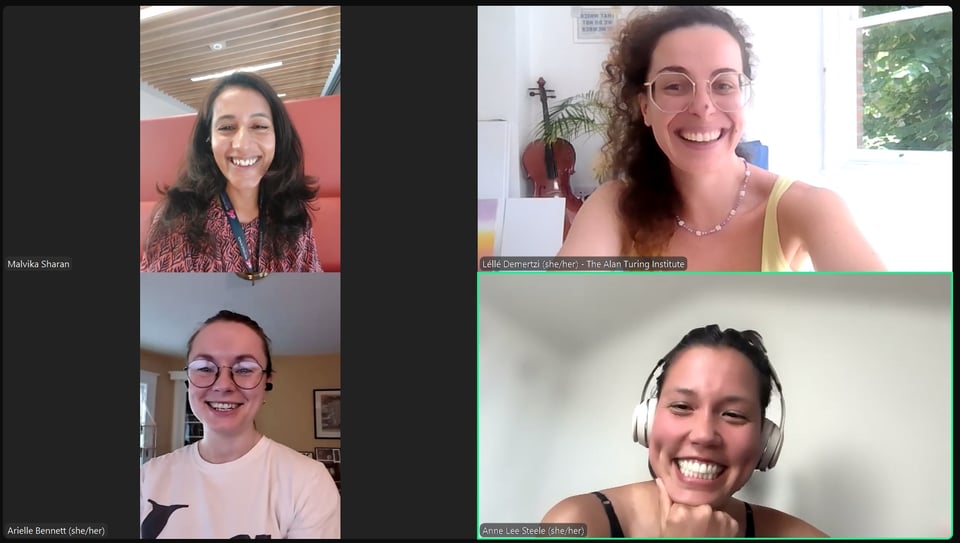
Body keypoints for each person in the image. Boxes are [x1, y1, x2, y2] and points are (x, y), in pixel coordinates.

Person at [557, 6, 885, 271]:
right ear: (645, 108)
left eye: (723, 84)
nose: (702, 107)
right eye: (675, 85)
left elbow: (885, 318)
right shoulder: (614, 207)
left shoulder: (807, 208)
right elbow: (554, 313)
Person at [542, 325, 828, 538]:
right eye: (681, 406)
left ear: (765, 440)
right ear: (648, 421)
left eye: (733, 414)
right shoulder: (576, 522)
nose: (703, 435)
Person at [140, 310, 340, 539]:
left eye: (244, 369)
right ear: (188, 381)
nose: (223, 385)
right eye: (205, 368)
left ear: (267, 382)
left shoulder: (309, 482)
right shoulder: (147, 477)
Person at [141, 72, 323, 273]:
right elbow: (162, 302)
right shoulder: (178, 221)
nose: (242, 144)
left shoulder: (292, 213)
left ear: (277, 137)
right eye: (227, 127)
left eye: (259, 126)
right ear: (208, 139)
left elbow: (312, 296)